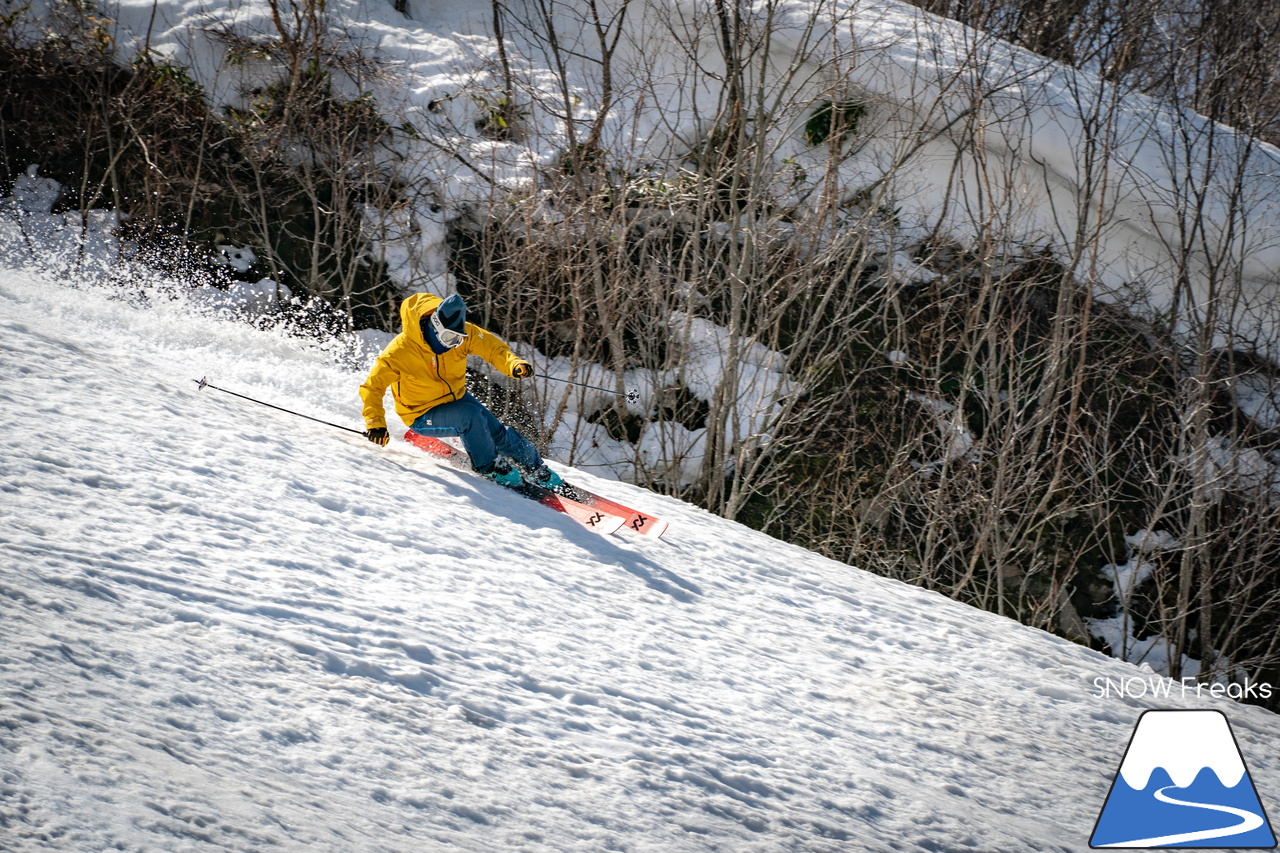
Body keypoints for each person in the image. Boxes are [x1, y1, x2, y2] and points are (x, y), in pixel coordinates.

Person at [359, 292, 561, 490]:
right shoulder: (399, 352)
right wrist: (375, 423)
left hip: (456, 398)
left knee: (496, 432)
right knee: (471, 417)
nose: (453, 344)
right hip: (421, 413)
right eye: (449, 337)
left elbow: (493, 349)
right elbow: (372, 387)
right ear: (434, 326)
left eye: (457, 338)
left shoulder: (462, 335)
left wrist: (513, 365)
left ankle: (535, 467)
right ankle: (488, 466)